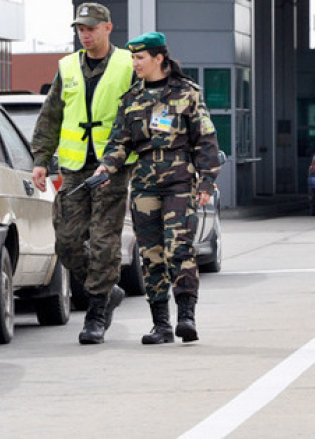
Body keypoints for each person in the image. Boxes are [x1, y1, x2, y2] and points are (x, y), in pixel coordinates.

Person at [94, 31, 220, 345]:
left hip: (179, 180)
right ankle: (161, 324)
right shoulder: (132, 98)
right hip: (144, 184)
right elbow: (118, 143)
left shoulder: (187, 93)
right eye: (133, 57)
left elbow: (206, 140)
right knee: (151, 255)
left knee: (179, 247)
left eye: (140, 58)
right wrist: (106, 167)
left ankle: (186, 316)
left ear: (158, 58)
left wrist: (206, 180)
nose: (134, 63)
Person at [31, 2, 136, 345]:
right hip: (75, 168)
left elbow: (140, 113)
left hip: (112, 166)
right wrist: (41, 159)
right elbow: (51, 115)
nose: (85, 34)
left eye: (91, 28)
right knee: (67, 241)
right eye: (80, 29)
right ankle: (107, 290)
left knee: (105, 240)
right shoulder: (67, 67)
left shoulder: (126, 64)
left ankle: (96, 312)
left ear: (108, 28)